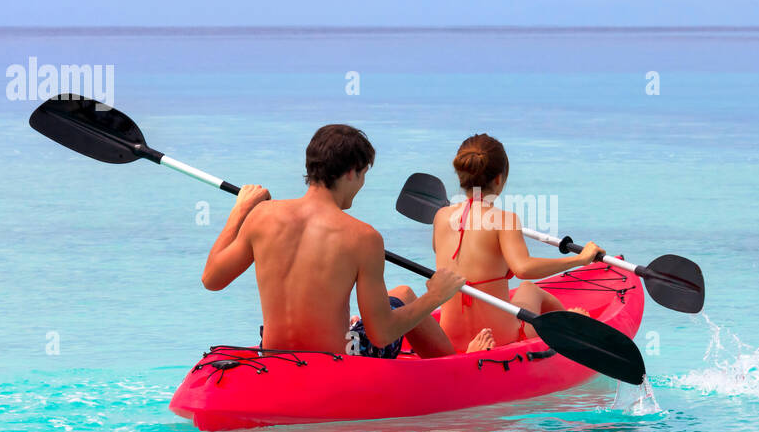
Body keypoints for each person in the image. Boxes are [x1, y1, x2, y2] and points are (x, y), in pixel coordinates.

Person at [200, 124, 496, 357]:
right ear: (353, 172)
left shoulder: (261, 215)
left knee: (391, 298)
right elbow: (382, 333)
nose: (362, 184)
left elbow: (212, 279)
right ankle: (461, 366)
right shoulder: (363, 238)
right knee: (404, 295)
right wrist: (436, 295)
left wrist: (240, 210)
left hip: (275, 354)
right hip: (339, 359)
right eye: (364, 174)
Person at [432, 133, 602, 352]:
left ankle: (566, 326)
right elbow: (522, 268)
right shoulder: (504, 220)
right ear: (498, 179)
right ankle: (570, 330)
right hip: (499, 338)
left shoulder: (441, 216)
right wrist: (580, 259)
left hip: (450, 340)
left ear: (461, 175)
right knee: (530, 288)